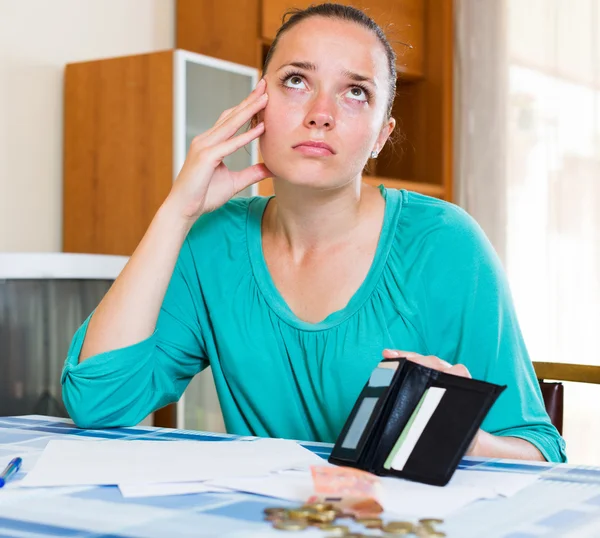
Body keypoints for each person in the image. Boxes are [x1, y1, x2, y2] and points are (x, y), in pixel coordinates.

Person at [61, 3, 566, 463]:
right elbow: (98, 404)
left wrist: (460, 434)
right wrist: (177, 212)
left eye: (355, 93)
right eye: (296, 81)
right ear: (258, 102)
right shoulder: (212, 244)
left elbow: (541, 454)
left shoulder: (447, 246)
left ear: (380, 137)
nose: (320, 114)